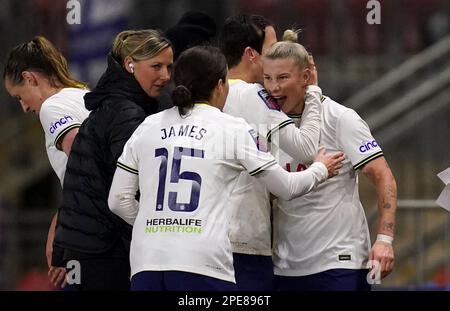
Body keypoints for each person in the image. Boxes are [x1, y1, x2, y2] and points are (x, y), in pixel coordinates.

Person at [107, 45, 344, 291]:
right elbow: (286, 187)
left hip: (146, 263)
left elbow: (118, 200)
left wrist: (157, 227)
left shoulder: (148, 126)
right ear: (220, 85)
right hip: (202, 266)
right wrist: (320, 169)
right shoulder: (232, 128)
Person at [264, 30, 397, 291]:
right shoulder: (267, 121)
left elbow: (383, 176)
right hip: (286, 265)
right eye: (267, 78)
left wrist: (385, 239)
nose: (273, 87)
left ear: (306, 77)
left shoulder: (340, 117)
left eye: (282, 78)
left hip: (339, 262)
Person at [51, 29, 173, 290]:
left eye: (168, 67)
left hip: (88, 245)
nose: (165, 76)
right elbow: (130, 186)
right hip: (105, 249)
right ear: (130, 64)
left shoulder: (114, 103)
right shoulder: (126, 112)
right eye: (157, 66)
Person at [218, 14, 323, 290]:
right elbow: (307, 149)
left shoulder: (209, 93)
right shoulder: (253, 95)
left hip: (205, 239)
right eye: (272, 48)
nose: (279, 53)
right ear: (251, 54)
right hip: (244, 242)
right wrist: (312, 91)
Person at [3, 36, 90, 286]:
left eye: (19, 96)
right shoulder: (84, 95)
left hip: (85, 232)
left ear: (30, 79)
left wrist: (60, 224)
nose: (24, 107)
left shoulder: (53, 107)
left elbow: (84, 162)